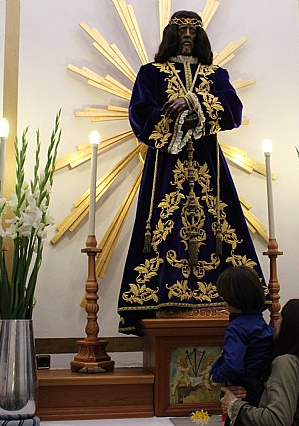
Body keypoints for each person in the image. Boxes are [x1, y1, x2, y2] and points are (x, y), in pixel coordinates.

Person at [117, 10, 267, 334]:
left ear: (200, 37)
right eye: (182, 30)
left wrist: (193, 103)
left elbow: (233, 110)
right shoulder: (151, 74)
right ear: (172, 35)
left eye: (193, 31)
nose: (187, 36)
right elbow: (141, 115)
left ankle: (226, 298)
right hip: (166, 168)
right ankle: (162, 299)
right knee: (161, 227)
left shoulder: (216, 75)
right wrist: (175, 120)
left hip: (207, 167)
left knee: (220, 226)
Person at [220, 299, 299, 426]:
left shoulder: (286, 363)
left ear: (290, 327)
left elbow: (277, 420)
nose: (275, 323)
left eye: (281, 318)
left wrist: (234, 405)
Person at [210, 266, 274, 425]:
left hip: (243, 390)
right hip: (260, 387)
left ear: (233, 299)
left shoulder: (236, 327)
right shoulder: (260, 322)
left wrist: (215, 376)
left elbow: (233, 365)